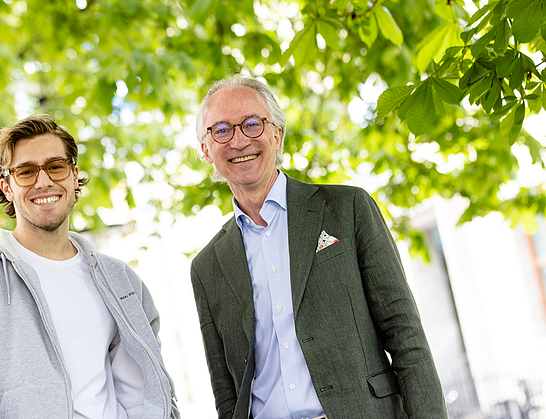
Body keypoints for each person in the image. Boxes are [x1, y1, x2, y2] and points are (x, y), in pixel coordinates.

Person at [189, 75, 447, 419]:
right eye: (221, 130)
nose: (238, 140)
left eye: (252, 124)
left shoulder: (347, 209)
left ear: (277, 134)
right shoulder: (207, 267)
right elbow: (226, 393)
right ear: (206, 149)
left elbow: (406, 338)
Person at [0, 116, 179, 419]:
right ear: (7, 187)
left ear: (74, 176)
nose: (44, 181)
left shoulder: (121, 281)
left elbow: (146, 390)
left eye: (55, 166)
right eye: (25, 171)